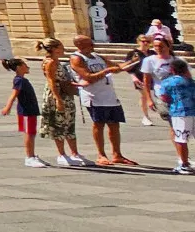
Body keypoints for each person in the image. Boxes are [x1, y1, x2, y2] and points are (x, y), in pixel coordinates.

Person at [71, 35, 138, 166]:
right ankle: (101, 154)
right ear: (80, 45)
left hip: (109, 95)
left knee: (114, 124)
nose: (93, 45)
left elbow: (117, 68)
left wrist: (133, 61)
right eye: (89, 43)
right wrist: (107, 70)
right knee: (99, 124)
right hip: (94, 96)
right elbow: (88, 77)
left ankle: (117, 154)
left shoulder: (97, 56)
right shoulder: (77, 58)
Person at [38, 37, 87, 167]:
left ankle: (74, 153)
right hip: (57, 95)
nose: (63, 48)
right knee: (59, 125)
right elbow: (51, 81)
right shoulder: (50, 62)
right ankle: (62, 154)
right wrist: (58, 99)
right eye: (60, 46)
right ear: (53, 49)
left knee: (69, 123)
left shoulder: (56, 61)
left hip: (65, 95)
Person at [152, 57, 195, 174]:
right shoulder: (191, 81)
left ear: (172, 70)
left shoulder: (168, 82)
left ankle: (184, 164)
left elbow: (163, 97)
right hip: (193, 111)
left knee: (181, 139)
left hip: (178, 112)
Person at [1, 57, 45, 167]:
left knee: (31, 133)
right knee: (29, 133)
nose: (28, 66)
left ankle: (32, 155)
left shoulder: (22, 80)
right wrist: (8, 106)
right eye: (25, 64)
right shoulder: (19, 81)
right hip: (26, 111)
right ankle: (29, 157)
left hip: (29, 110)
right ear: (19, 67)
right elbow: (14, 94)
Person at [124, 36, 157, 126]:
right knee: (144, 95)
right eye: (143, 41)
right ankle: (145, 116)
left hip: (152, 77)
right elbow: (128, 67)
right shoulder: (133, 53)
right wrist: (133, 77)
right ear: (138, 42)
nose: (145, 43)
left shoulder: (152, 52)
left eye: (147, 41)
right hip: (139, 77)